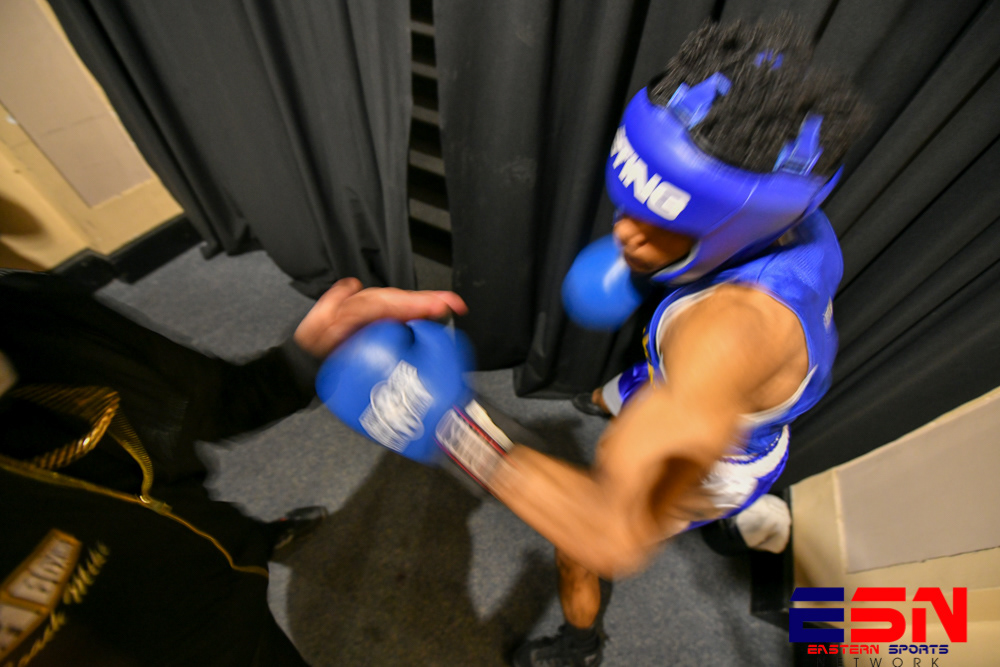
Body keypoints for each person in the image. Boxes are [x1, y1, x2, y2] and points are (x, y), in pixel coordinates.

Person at [316, 16, 871, 667]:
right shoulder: (792, 221)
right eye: (630, 203)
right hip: (683, 382)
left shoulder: (730, 334)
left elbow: (614, 533)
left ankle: (581, 645)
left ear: (731, 222)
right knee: (611, 402)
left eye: (661, 220)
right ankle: (740, 510)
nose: (623, 232)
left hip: (721, 442)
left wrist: (449, 424)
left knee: (577, 548)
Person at [0, 269, 466, 667]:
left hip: (225, 588)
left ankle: (256, 536)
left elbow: (211, 403)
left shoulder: (29, 312)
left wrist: (304, 357)